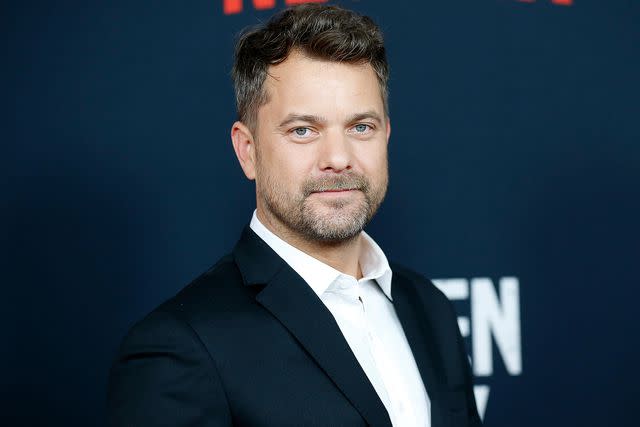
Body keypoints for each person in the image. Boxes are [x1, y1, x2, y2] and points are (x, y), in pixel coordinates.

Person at [107, 4, 481, 427]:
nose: (339, 159)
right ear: (247, 150)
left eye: (361, 127)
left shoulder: (430, 309)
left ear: (386, 135)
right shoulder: (181, 346)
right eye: (303, 130)